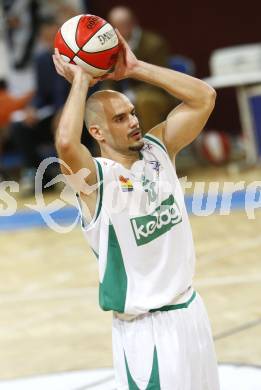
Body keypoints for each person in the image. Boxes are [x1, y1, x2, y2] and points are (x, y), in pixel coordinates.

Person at [53, 29, 219, 389]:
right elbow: (66, 142)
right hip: (147, 332)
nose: (133, 121)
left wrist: (137, 67)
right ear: (96, 132)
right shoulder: (95, 181)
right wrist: (81, 78)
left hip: (190, 311)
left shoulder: (158, 149)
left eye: (131, 113)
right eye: (119, 118)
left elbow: (203, 97)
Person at [101, 6, 175, 132]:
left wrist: (131, 96)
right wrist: (108, 97)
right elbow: (109, 79)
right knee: (103, 105)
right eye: (116, 26)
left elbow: (159, 79)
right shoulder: (112, 46)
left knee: (143, 101)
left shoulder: (154, 43)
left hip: (157, 93)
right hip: (127, 94)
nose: (120, 29)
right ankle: (119, 150)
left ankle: (151, 145)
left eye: (124, 24)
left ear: (133, 23)